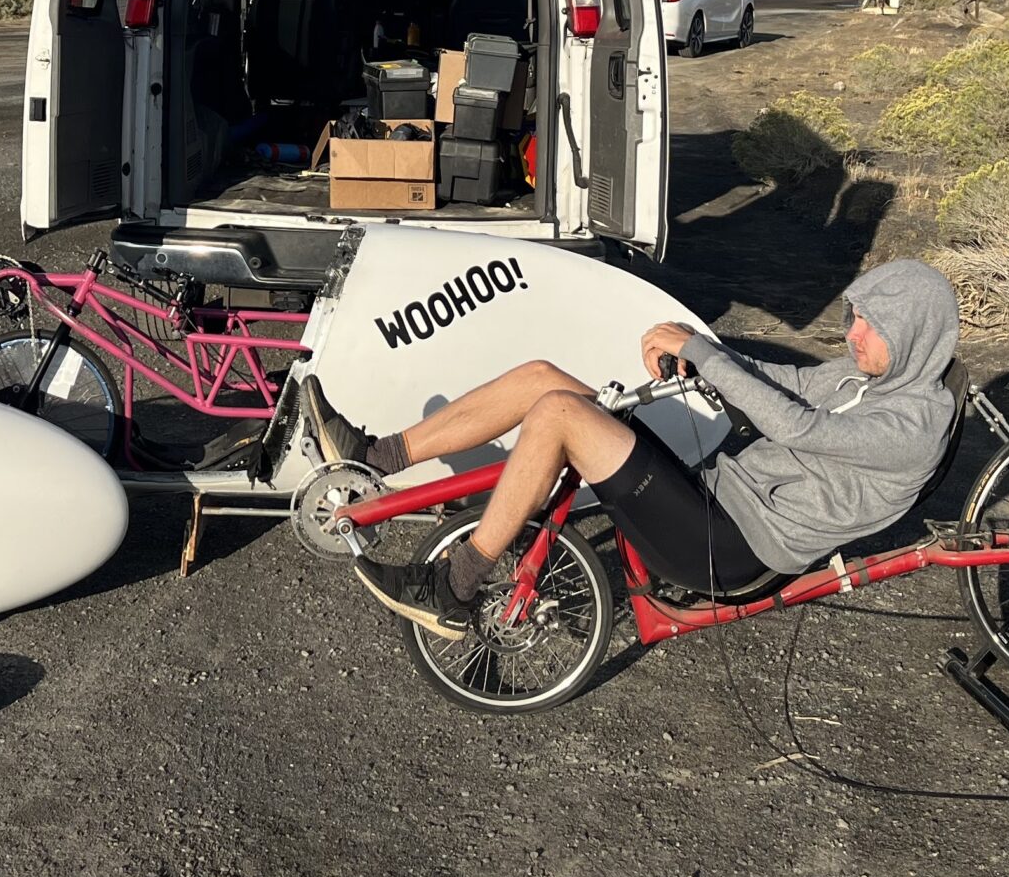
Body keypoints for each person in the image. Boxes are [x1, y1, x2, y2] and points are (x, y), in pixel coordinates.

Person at [296, 260, 962, 636]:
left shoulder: (914, 426)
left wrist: (698, 348)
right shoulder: (866, 372)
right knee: (542, 377)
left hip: (734, 547)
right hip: (712, 494)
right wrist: (706, 361)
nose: (854, 333)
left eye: (874, 326)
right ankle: (373, 456)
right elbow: (785, 382)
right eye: (856, 315)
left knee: (561, 414)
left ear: (916, 338)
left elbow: (800, 428)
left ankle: (455, 586)